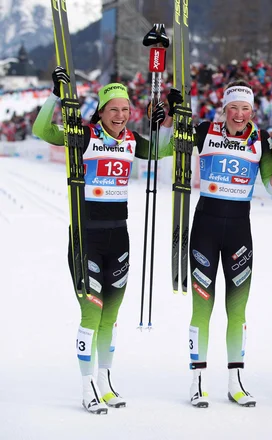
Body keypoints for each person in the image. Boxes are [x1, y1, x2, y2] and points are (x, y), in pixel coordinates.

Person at [32, 67, 167, 414]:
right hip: (86, 234)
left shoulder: (132, 141)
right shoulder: (84, 134)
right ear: (102, 112)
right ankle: (86, 385)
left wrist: (165, 119)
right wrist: (56, 96)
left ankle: (105, 381)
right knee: (91, 313)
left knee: (112, 314)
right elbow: (42, 129)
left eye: (125, 110)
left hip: (118, 235)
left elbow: (163, 150)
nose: (120, 116)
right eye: (113, 110)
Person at [162, 80, 272, 408]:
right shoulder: (204, 130)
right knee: (202, 308)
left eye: (246, 108)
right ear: (224, 109)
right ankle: (197, 381)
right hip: (204, 229)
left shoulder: (260, 140)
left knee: (236, 310)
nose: (239, 114)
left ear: (253, 111)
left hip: (239, 235)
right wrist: (173, 116)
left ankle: (236, 381)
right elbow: (165, 147)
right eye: (234, 108)